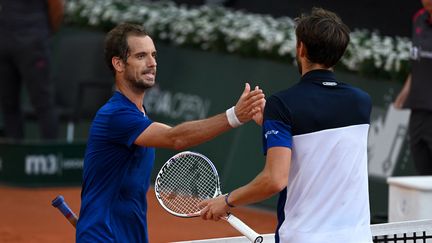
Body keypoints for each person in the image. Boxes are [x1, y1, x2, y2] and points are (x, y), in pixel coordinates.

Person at [75, 23, 265, 242]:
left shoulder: (137, 114)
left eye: (153, 55)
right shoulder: (115, 115)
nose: (152, 63)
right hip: (104, 236)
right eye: (141, 56)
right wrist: (234, 116)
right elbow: (175, 138)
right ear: (118, 63)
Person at [199, 8, 373, 243]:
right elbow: (322, 143)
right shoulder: (362, 102)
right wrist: (270, 123)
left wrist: (227, 200)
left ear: (300, 48)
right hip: (357, 238)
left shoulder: (282, 105)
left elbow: (275, 179)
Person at [0, 0, 64, 140]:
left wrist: (39, 34)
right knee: (8, 103)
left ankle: (49, 156)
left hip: (33, 44)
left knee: (43, 103)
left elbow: (56, 9)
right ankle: (15, 157)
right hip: (5, 44)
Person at [394, 0, 432, 175]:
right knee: (422, 172)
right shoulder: (418, 18)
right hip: (417, 108)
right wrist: (405, 92)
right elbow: (417, 62)